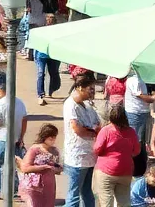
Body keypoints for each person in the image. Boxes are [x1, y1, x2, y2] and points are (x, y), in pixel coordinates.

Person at [63, 73, 102, 207]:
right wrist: (92, 131)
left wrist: (91, 130)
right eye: (90, 89)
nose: (92, 92)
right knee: (74, 195)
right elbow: (77, 129)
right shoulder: (70, 106)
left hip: (89, 157)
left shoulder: (88, 107)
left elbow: (98, 126)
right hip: (76, 158)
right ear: (80, 87)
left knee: (86, 192)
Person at [94, 103, 141, 207]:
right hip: (125, 170)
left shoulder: (106, 130)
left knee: (106, 200)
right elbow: (137, 151)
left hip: (106, 170)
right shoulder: (131, 132)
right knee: (124, 201)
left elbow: (97, 149)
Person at [0, 91, 29, 199]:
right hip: (15, 139)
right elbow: (24, 120)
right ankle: (14, 192)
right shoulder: (20, 102)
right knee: (15, 165)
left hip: (2, 138)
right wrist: (21, 137)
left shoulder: (2, 102)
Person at [19, 124, 63, 207]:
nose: (53, 140)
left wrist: (57, 168)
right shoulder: (35, 149)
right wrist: (42, 167)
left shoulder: (55, 151)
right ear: (45, 136)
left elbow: (58, 168)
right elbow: (25, 168)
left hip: (49, 185)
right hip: (34, 185)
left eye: (54, 137)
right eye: (51, 138)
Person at [35, 14, 62, 105]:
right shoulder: (42, 30)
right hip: (41, 55)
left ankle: (51, 91)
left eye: (51, 18)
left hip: (54, 55)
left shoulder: (58, 31)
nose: (49, 20)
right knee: (40, 74)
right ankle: (40, 95)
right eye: (48, 18)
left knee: (54, 74)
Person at [125, 71, 155, 147]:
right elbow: (140, 95)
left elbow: (149, 90)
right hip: (135, 113)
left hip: (143, 111)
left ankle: (140, 154)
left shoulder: (142, 79)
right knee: (135, 138)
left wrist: (153, 94)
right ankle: (134, 156)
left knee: (141, 138)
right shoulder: (134, 80)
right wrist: (152, 98)